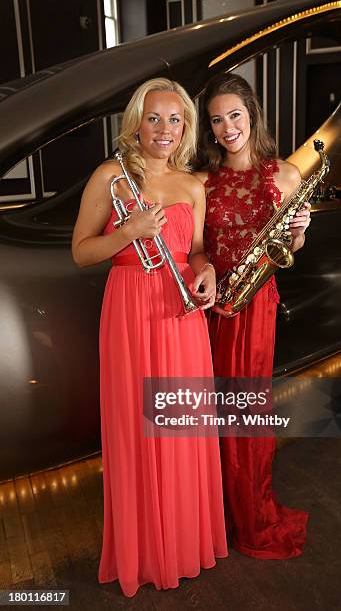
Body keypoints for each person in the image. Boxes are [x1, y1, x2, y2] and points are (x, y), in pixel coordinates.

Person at [72, 78, 228, 597]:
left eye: (175, 119)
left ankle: (184, 544)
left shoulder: (192, 184)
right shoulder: (111, 176)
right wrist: (127, 232)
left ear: (185, 127)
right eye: (154, 118)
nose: (164, 130)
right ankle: (145, 552)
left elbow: (198, 249)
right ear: (136, 122)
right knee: (138, 430)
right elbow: (82, 252)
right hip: (130, 312)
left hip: (183, 315)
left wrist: (205, 273)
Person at [194, 72, 309, 559]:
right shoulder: (202, 180)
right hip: (208, 309)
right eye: (217, 120)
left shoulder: (286, 175)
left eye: (234, 115)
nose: (227, 127)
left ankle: (250, 513)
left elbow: (292, 248)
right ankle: (208, 516)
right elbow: (195, 248)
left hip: (254, 305)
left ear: (252, 114)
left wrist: (300, 229)